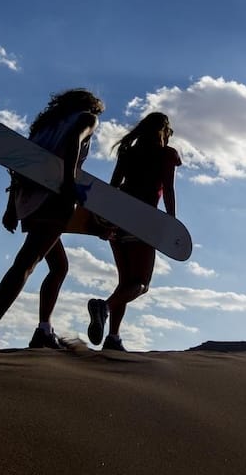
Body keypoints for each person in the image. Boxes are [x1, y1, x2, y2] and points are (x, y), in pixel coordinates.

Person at [0, 89, 104, 350]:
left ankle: (44, 330)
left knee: (58, 267)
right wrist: (69, 184)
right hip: (55, 198)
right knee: (26, 263)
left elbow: (18, 164)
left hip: (27, 200)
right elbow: (75, 139)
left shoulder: (44, 127)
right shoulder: (86, 119)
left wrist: (11, 207)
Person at [86, 112, 181, 352]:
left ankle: (113, 338)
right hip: (144, 220)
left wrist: (105, 220)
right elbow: (168, 189)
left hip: (118, 219)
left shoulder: (127, 152)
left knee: (125, 283)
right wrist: (171, 222)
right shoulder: (166, 154)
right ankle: (104, 308)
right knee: (141, 284)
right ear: (164, 131)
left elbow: (114, 185)